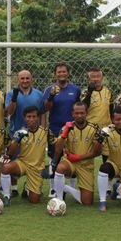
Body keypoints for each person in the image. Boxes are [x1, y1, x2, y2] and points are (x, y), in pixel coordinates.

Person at [0, 106, 54, 205]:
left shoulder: (45, 132)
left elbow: (55, 144)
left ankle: (27, 188)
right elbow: (11, 153)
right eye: (28, 117)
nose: (31, 119)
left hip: (36, 168)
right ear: (24, 118)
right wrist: (17, 140)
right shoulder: (19, 132)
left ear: (38, 118)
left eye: (34, 116)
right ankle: (7, 195)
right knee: (6, 168)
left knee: (34, 201)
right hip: (22, 163)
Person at [52, 102, 103, 206]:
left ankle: (66, 188)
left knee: (87, 202)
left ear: (86, 113)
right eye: (77, 113)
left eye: (82, 113)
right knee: (60, 168)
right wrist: (64, 133)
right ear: (72, 114)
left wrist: (79, 157)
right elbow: (58, 149)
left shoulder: (95, 128)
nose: (79, 115)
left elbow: (98, 152)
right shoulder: (66, 127)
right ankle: (59, 200)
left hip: (86, 165)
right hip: (70, 162)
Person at [43, 63, 79, 196]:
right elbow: (46, 108)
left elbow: (80, 108)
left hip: (72, 128)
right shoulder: (49, 89)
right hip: (55, 128)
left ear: (68, 73)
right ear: (55, 74)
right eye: (59, 72)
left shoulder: (75, 89)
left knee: (73, 156)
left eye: (64, 71)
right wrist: (52, 96)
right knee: (54, 157)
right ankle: (53, 187)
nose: (61, 74)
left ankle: (72, 187)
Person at [6, 69, 45, 134]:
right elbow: (9, 112)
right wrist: (14, 97)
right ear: (18, 80)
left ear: (31, 79)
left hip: (35, 133)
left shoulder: (39, 94)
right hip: (16, 132)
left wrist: (43, 130)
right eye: (22, 78)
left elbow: (42, 113)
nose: (25, 81)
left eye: (27, 78)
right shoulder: (11, 94)